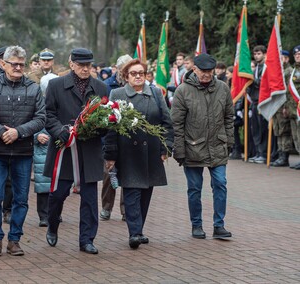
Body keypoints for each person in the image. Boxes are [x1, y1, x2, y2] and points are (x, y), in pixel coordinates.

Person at [0, 45, 45, 257]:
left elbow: (41, 118)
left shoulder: (34, 88)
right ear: (3, 64)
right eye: (13, 64)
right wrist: (0, 132)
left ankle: (14, 239)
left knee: (20, 199)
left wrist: (19, 132)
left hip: (23, 151)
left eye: (21, 64)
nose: (17, 68)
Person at [104, 59, 174, 249]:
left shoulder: (156, 93)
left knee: (145, 193)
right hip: (128, 153)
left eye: (141, 73)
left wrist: (165, 148)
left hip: (151, 152)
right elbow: (111, 126)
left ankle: (139, 229)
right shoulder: (117, 94)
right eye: (133, 73)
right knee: (132, 192)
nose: (137, 77)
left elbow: (167, 122)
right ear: (126, 76)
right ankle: (134, 232)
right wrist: (110, 154)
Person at [43, 48, 107, 254]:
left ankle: (87, 239)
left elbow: (107, 117)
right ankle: (52, 225)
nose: (86, 69)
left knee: (89, 199)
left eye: (89, 65)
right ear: (71, 64)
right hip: (64, 150)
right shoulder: (55, 85)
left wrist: (101, 126)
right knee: (58, 195)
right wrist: (58, 130)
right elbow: (48, 114)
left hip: (89, 151)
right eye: (81, 65)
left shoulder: (101, 87)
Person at [171, 53, 234, 240]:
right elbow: (177, 123)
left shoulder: (222, 88)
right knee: (194, 189)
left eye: (209, 71)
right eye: (202, 71)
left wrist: (229, 141)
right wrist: (179, 150)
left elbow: (229, 117)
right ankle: (196, 225)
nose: (206, 75)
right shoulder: (183, 91)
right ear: (194, 70)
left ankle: (219, 225)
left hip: (218, 146)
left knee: (221, 184)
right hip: (192, 147)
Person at [100, 54, 133, 222]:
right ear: (119, 70)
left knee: (127, 175)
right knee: (109, 174)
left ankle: (126, 210)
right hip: (110, 137)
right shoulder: (107, 86)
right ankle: (106, 207)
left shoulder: (135, 86)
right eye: (126, 69)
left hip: (128, 139)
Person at [33, 73, 58, 227]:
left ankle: (55, 213)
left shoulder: (61, 101)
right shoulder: (37, 102)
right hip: (42, 146)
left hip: (58, 143)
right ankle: (43, 215)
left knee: (58, 183)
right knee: (43, 184)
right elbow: (31, 121)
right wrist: (36, 136)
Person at [270, 50, 293, 167]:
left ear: (287, 59)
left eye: (282, 58)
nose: (280, 60)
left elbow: (289, 92)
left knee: (285, 131)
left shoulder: (289, 71)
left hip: (284, 105)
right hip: (276, 106)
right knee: (278, 130)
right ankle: (280, 155)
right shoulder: (278, 71)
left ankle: (285, 157)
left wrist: (286, 106)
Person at [248, 45, 268, 164]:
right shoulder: (256, 69)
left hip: (263, 101)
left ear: (265, 54)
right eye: (255, 54)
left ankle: (264, 153)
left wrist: (251, 79)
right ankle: (258, 152)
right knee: (255, 129)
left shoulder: (266, 67)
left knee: (262, 129)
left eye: (259, 54)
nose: (256, 56)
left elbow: (263, 83)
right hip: (254, 101)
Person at [285, 45, 300, 169]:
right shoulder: (294, 70)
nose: (297, 56)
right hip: (292, 108)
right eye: (296, 55)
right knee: (296, 136)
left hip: (299, 107)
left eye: (299, 54)